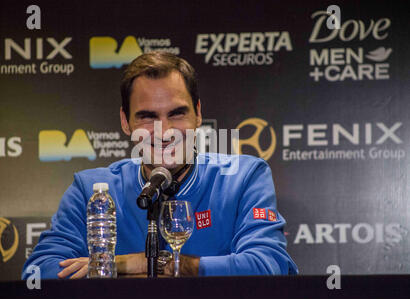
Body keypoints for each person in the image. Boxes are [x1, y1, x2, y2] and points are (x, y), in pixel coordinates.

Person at [22, 51, 298, 279]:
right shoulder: (91, 189)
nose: (164, 131)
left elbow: (270, 266)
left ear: (198, 114)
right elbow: (38, 273)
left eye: (177, 113)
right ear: (125, 121)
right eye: (147, 117)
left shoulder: (244, 177)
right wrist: (128, 263)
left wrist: (157, 264)